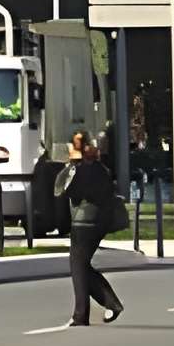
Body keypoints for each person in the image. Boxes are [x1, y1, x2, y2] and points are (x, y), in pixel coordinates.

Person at [55, 131, 126, 326]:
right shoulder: (100, 168)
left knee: (78, 266)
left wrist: (71, 165)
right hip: (98, 222)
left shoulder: (83, 170)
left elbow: (64, 190)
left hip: (85, 223)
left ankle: (83, 314)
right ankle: (107, 304)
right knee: (82, 265)